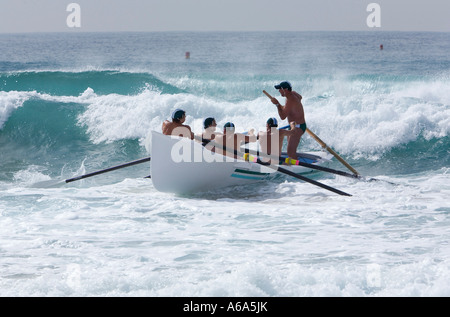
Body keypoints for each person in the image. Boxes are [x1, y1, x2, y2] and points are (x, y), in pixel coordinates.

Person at [270, 81, 306, 160]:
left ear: (285, 90)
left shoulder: (290, 100)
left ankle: (297, 166)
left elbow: (282, 116)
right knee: (290, 151)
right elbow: (300, 97)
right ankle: (293, 160)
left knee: (290, 152)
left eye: (280, 89)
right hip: (295, 126)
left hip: (297, 128)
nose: (279, 91)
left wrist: (277, 105)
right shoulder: (294, 94)